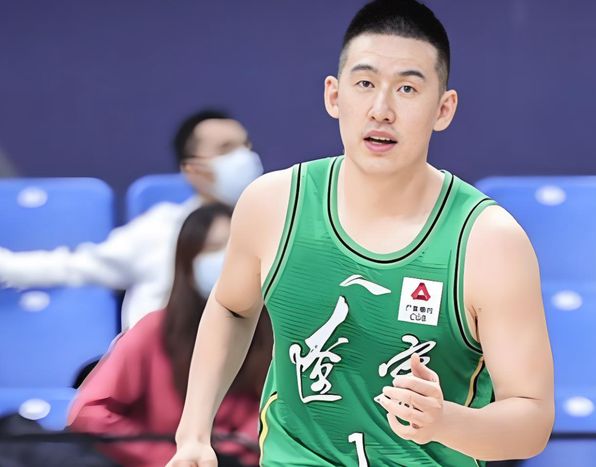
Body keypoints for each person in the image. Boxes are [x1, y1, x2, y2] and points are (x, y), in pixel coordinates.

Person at [168, 1, 554, 466]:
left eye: (407, 88)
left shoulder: (489, 241)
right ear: (334, 95)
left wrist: (444, 422)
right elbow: (232, 307)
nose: (381, 109)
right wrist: (193, 433)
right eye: (365, 83)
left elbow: (531, 421)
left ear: (443, 108)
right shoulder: (273, 204)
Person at [0, 109, 263, 328]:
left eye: (246, 145)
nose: (245, 157)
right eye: (226, 149)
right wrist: (7, 265)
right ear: (192, 169)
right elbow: (73, 266)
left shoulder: (278, 227)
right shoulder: (160, 230)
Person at [68, 203, 272, 467]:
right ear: (187, 264)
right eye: (211, 249)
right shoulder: (152, 330)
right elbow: (89, 413)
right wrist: (167, 457)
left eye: (231, 248)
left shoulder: (274, 332)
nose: (222, 258)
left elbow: (280, 410)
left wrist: (234, 454)